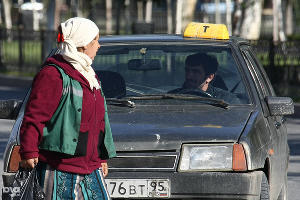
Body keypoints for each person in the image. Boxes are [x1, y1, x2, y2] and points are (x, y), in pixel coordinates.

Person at [19, 17, 116, 199]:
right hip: (58, 167)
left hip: (91, 166)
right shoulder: (53, 74)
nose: (99, 46)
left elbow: (99, 120)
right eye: (95, 40)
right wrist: (29, 150)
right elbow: (35, 116)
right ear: (82, 44)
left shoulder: (88, 74)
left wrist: (101, 157)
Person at [169, 52, 240, 103]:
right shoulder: (171, 97)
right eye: (187, 70)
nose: (189, 76)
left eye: (195, 72)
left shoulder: (227, 101)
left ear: (209, 77)